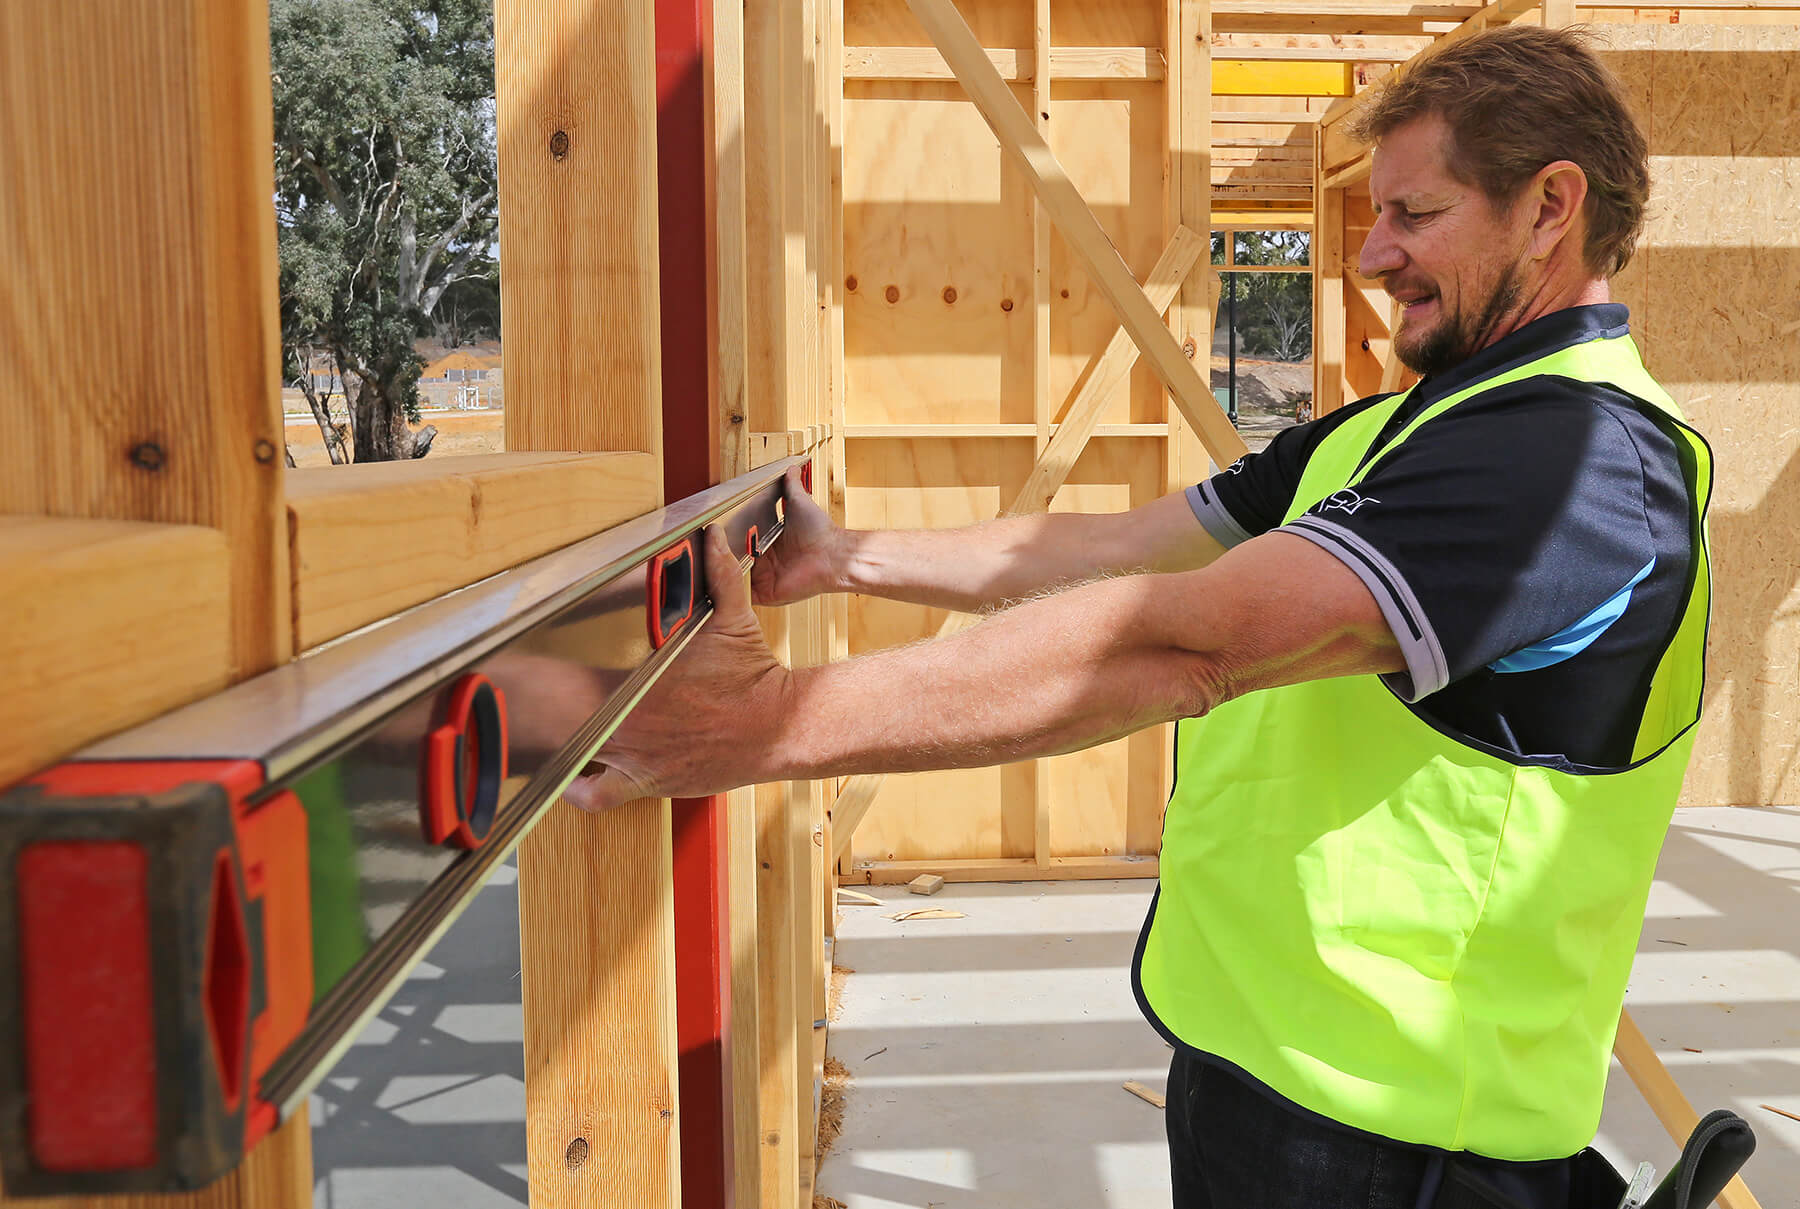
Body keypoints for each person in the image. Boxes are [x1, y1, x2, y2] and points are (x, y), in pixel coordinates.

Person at [565, 25, 1713, 1209]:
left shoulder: (1573, 458)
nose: (1374, 254)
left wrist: (757, 727)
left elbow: (1189, 641)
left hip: (1402, 1137)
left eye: (1414, 215)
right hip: (1274, 1072)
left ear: (1550, 206)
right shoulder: (1397, 432)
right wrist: (846, 558)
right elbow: (1114, 547)